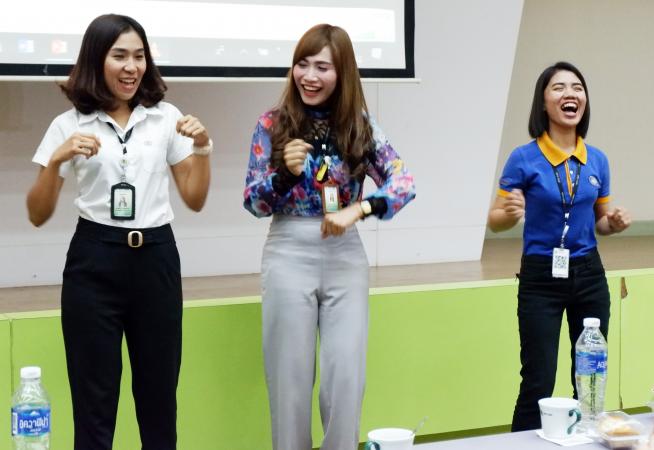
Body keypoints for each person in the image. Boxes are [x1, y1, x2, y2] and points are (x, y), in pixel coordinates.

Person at [26, 14, 212, 450]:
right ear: (97, 60)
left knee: (159, 401)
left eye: (139, 56)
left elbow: (194, 198)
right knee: (93, 405)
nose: (132, 67)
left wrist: (203, 148)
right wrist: (56, 161)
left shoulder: (165, 118)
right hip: (94, 261)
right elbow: (37, 213)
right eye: (120, 56)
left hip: (156, 259)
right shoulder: (69, 123)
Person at [243, 24, 415, 450]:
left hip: (345, 255)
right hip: (288, 251)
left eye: (322, 67)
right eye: (302, 64)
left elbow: (403, 181)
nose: (309, 76)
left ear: (343, 73)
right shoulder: (272, 124)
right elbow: (253, 201)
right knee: (289, 380)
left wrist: (361, 208)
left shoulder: (360, 126)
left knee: (345, 378)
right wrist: (284, 174)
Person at [487, 61, 631, 431]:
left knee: (589, 378)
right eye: (559, 87)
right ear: (544, 102)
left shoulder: (597, 159)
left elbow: (600, 222)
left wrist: (613, 224)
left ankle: (584, 438)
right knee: (538, 379)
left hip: (589, 274)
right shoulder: (524, 157)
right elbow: (495, 221)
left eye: (577, 88)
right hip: (540, 278)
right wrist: (509, 213)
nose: (571, 94)